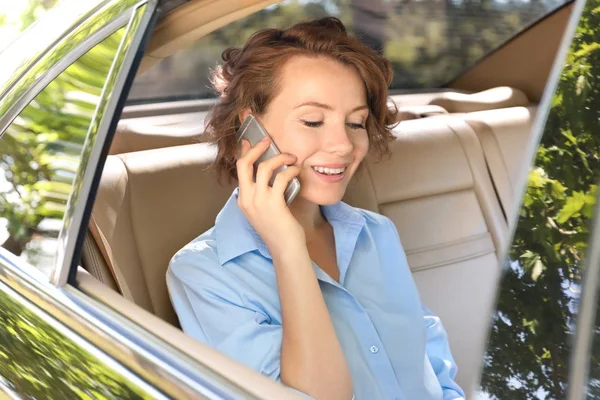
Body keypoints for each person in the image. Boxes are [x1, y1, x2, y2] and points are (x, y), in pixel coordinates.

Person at [167, 17, 465, 400]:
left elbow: (432, 361)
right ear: (250, 130)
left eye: (356, 123)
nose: (343, 145)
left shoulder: (376, 233)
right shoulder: (204, 273)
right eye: (312, 120)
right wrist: (288, 247)